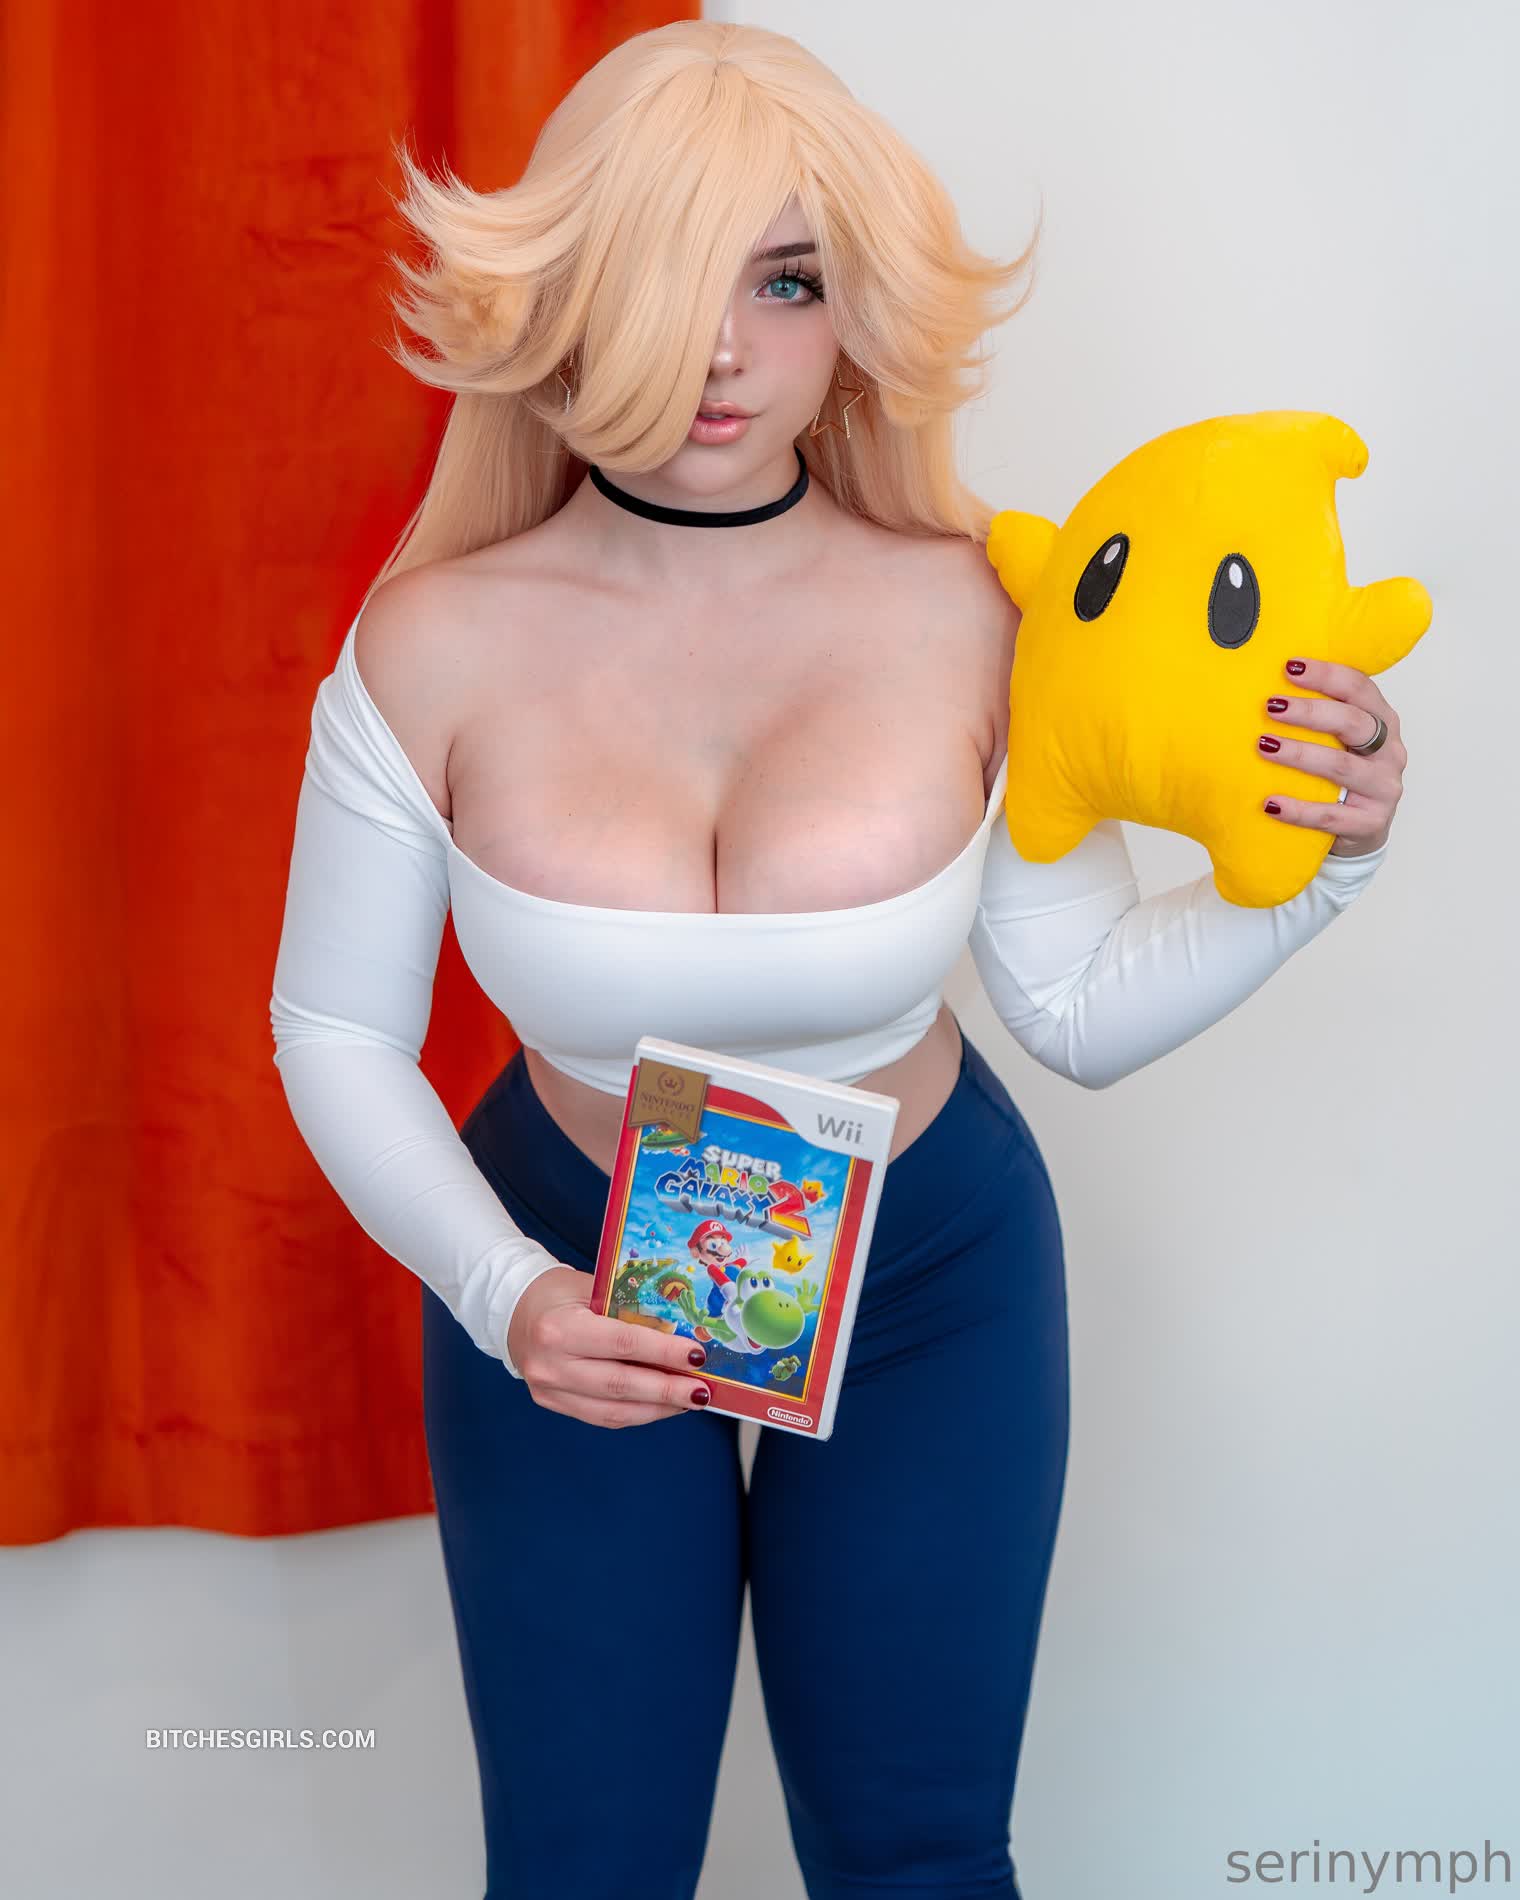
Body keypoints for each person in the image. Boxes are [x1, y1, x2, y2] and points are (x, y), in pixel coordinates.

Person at [268, 23, 1407, 1900]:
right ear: (565, 293)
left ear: (857, 309)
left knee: (918, 1858)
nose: (723, 350)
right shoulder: (431, 644)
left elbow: (1068, 1011)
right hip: (565, 1278)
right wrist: (506, 1293)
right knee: (578, 1870)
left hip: (931, 1275)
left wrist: (1324, 875)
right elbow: (332, 1027)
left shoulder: (978, 610)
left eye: (785, 280)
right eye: (666, 275)